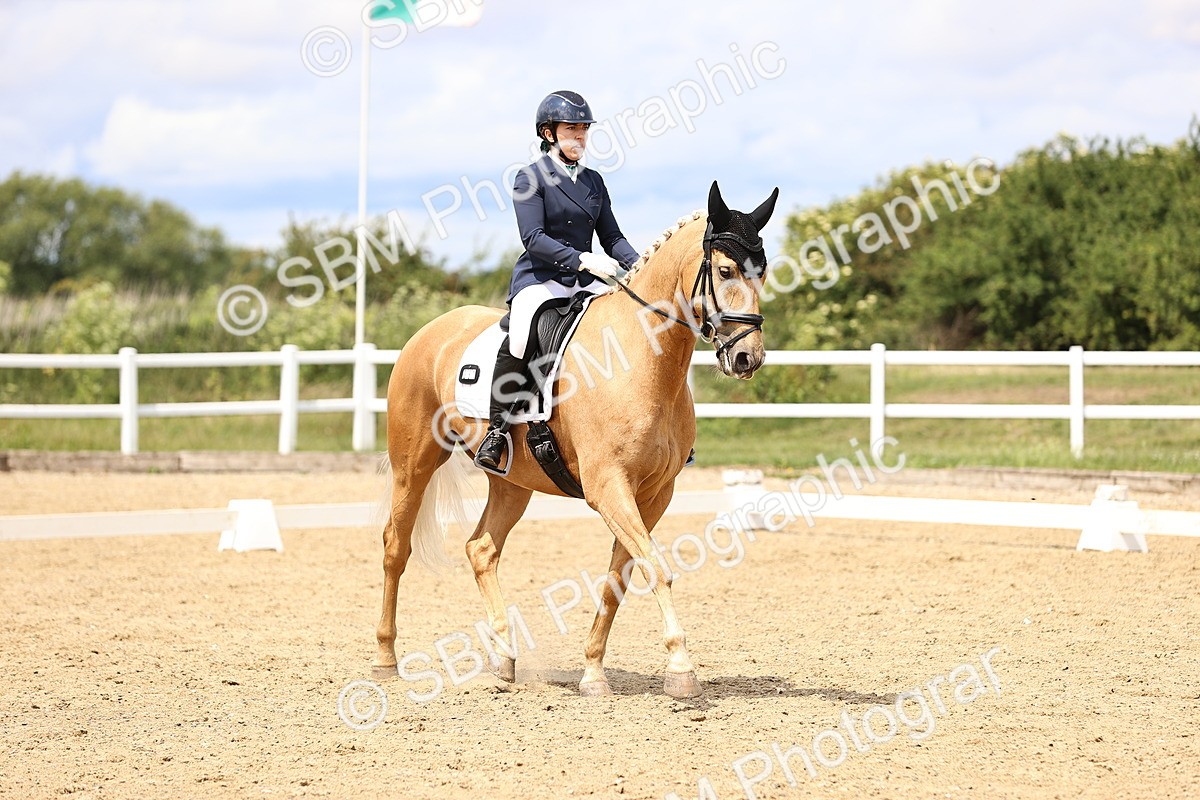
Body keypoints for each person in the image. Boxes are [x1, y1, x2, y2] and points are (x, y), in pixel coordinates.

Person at [474, 90, 640, 472]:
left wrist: (639, 267)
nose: (579, 137)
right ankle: (497, 430)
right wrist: (582, 258)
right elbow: (533, 238)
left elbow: (612, 238)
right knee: (521, 334)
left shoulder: (594, 182)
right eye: (571, 129)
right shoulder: (529, 178)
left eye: (584, 130)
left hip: (585, 282)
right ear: (549, 133)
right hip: (541, 278)